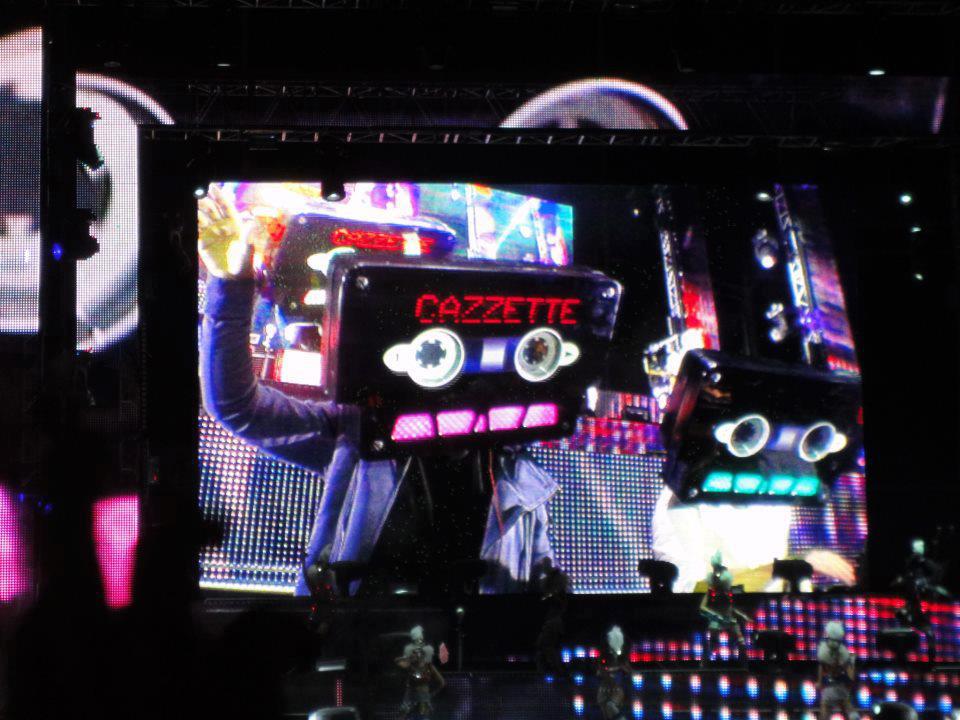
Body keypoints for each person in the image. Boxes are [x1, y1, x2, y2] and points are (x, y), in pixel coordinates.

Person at [198, 184, 557, 596]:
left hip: (467, 633)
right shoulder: (362, 430)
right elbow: (237, 406)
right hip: (360, 629)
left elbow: (536, 582)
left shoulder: (518, 469)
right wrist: (231, 285)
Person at [699, 551, 751, 663]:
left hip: (729, 619)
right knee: (712, 641)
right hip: (716, 621)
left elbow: (730, 607)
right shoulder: (711, 593)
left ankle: (744, 662)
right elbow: (702, 608)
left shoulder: (727, 593)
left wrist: (743, 616)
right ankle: (705, 662)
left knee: (740, 641)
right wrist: (716, 616)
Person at [395, 626, 445, 720]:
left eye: (420, 652)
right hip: (410, 697)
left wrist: (430, 695)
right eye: (415, 652)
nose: (418, 654)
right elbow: (398, 662)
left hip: (423, 697)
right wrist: (408, 659)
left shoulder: (428, 665)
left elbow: (442, 683)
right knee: (403, 715)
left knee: (423, 716)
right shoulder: (409, 665)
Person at [817, 621, 857, 720]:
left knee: (826, 709)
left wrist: (820, 682)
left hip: (834, 688)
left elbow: (822, 668)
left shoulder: (824, 652)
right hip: (839, 688)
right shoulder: (843, 654)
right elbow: (851, 677)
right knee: (845, 707)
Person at [596, 625, 634, 720]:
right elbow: (599, 671)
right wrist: (605, 671)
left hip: (616, 689)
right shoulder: (604, 657)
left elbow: (628, 671)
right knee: (606, 712)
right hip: (603, 689)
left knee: (610, 705)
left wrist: (620, 669)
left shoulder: (622, 659)